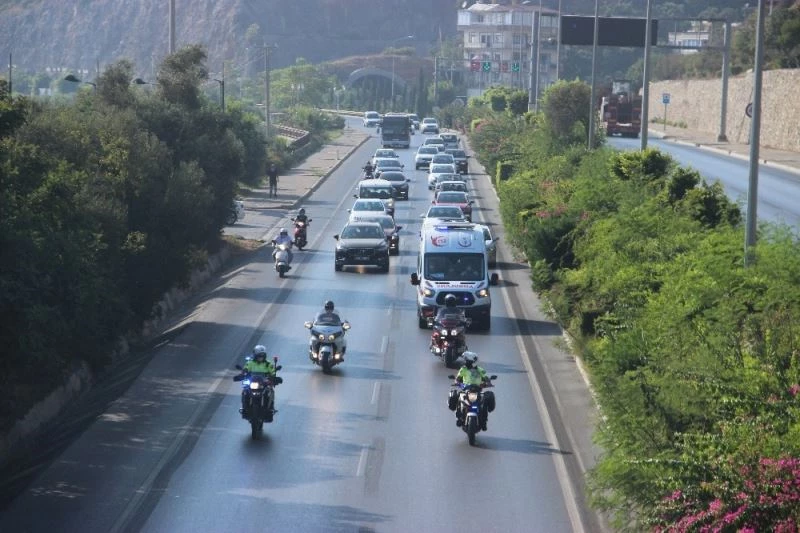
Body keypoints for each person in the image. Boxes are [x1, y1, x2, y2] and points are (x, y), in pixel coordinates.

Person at [237, 345, 282, 416]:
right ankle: (244, 408)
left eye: (262, 356)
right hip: (252, 382)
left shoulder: (268, 364)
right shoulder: (250, 363)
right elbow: (246, 369)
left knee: (269, 390)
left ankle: (271, 408)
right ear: (255, 355)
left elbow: (272, 371)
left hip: (263, 383)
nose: (260, 358)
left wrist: (275, 378)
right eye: (259, 356)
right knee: (245, 391)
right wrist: (241, 374)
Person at [453, 352, 491, 430]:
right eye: (467, 362)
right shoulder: (463, 369)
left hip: (477, 391)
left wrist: (487, 382)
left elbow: (486, 377)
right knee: (457, 398)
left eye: (469, 362)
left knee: (484, 404)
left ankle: (484, 422)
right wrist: (457, 382)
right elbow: (458, 378)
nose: (467, 363)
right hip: (467, 390)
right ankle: (459, 418)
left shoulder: (480, 369)